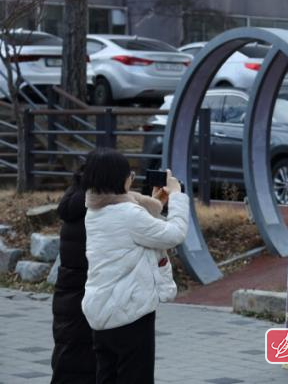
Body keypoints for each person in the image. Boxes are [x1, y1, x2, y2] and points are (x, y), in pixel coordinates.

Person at [80, 148, 189, 384]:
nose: (131, 178)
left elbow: (142, 231)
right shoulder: (128, 214)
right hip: (129, 313)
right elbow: (174, 234)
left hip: (101, 311)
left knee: (107, 376)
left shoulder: (94, 210)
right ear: (119, 179)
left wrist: (155, 203)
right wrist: (177, 196)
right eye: (129, 174)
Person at [51, 168, 95, 384]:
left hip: (67, 291)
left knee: (68, 350)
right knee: (81, 356)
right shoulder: (93, 213)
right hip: (84, 291)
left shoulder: (74, 203)